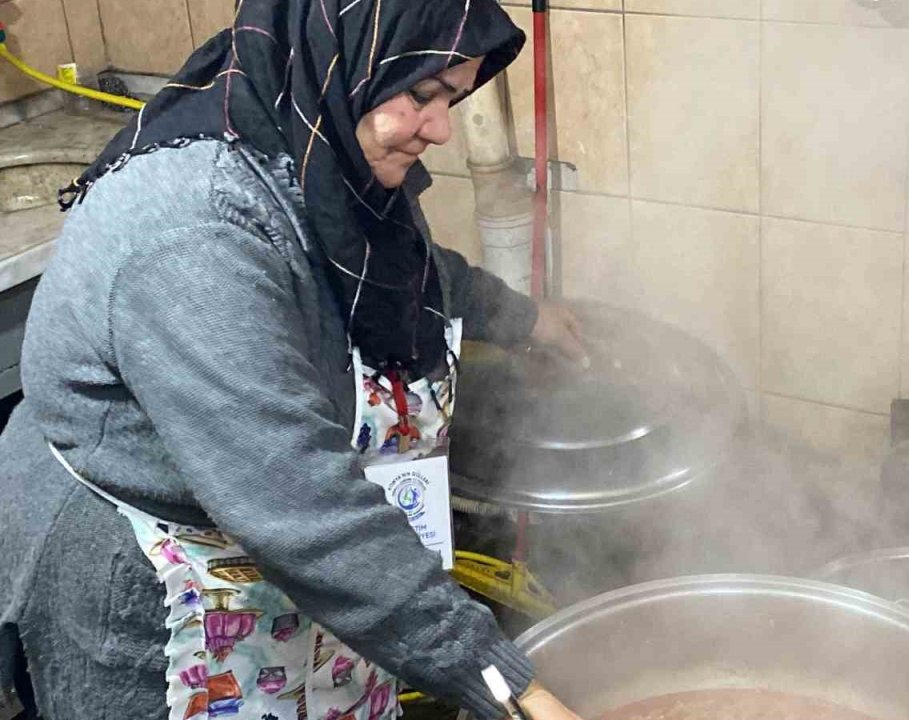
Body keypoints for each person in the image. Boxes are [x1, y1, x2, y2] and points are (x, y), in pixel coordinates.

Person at [0, 1, 588, 718]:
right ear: (342, 56)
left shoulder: (312, 140)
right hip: (156, 581)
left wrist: (521, 315)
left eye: (453, 100)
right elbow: (295, 493)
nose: (440, 128)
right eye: (423, 94)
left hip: (283, 545)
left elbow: (404, 267)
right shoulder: (194, 234)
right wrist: (506, 681)